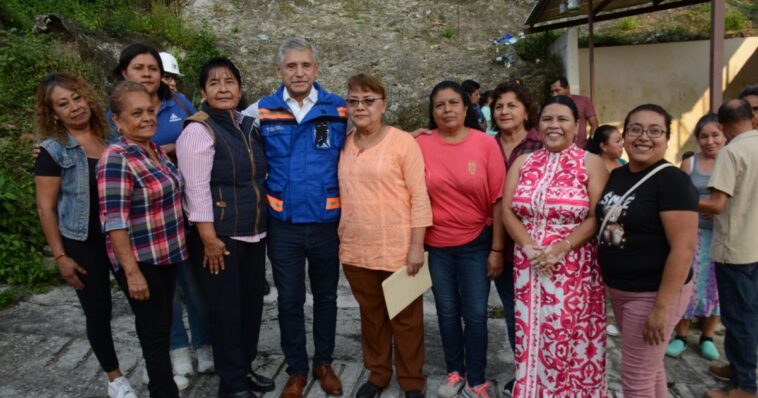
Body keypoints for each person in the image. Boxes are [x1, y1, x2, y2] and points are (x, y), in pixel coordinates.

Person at [34, 73, 137, 398]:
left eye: (77, 98)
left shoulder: (112, 139)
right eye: (63, 104)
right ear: (53, 114)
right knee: (98, 311)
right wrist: (60, 256)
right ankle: (116, 379)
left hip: (120, 238)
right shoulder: (53, 151)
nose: (74, 107)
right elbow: (46, 208)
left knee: (143, 302)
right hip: (82, 242)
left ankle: (155, 360)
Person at [113, 43, 211, 381]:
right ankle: (177, 353)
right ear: (124, 73)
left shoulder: (178, 103)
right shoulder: (118, 117)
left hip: (179, 218)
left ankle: (204, 345)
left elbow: (203, 132)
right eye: (139, 68)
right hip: (143, 232)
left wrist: (175, 149)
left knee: (194, 289)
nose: (146, 74)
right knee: (164, 303)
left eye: (152, 68)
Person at [176, 57, 273, 398]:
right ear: (202, 91)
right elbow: (195, 188)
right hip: (219, 237)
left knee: (250, 307)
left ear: (240, 88)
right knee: (226, 311)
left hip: (254, 232)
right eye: (214, 83)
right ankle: (230, 384)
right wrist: (208, 238)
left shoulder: (247, 124)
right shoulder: (197, 131)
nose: (223, 88)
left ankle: (243, 369)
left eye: (229, 81)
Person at [256, 38, 346, 398]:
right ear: (279, 71)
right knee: (289, 300)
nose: (298, 72)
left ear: (316, 69)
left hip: (326, 223)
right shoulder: (261, 111)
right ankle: (296, 369)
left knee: (326, 297)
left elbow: (368, 137)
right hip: (284, 227)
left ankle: (323, 362)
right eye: (291, 66)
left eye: (305, 65)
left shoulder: (338, 109)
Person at [502, 95, 608, 397]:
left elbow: (595, 216)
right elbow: (507, 210)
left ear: (576, 126)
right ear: (538, 124)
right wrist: (529, 247)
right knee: (530, 335)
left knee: (565, 338)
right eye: (548, 119)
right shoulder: (524, 161)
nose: (554, 125)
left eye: (563, 119)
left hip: (573, 266)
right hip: (529, 264)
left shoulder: (591, 163)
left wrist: (560, 247)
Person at [338, 73, 432, 398]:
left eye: (368, 100)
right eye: (353, 100)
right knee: (372, 318)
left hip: (398, 248)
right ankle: (378, 374)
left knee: (406, 320)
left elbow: (419, 196)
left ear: (384, 105)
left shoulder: (403, 142)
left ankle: (411, 381)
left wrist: (417, 245)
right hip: (356, 248)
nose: (360, 106)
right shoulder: (345, 141)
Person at [597, 104, 697, 398]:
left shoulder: (672, 180)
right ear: (624, 135)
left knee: (636, 380)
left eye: (655, 131)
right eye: (636, 129)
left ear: (667, 138)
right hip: (622, 289)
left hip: (653, 293)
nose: (644, 137)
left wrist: (662, 308)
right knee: (651, 373)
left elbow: (684, 247)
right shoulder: (617, 175)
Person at [97, 81, 188, 398]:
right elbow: (114, 222)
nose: (147, 118)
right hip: (141, 261)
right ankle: (164, 392)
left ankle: (162, 386)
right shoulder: (116, 158)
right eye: (137, 113)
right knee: (155, 335)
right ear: (118, 121)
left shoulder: (156, 151)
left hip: (167, 256)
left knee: (160, 329)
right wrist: (131, 272)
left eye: (150, 111)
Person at [416, 81, 505, 398]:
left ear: (466, 108)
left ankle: (477, 378)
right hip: (437, 244)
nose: (447, 109)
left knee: (477, 315)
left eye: (454, 103)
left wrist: (497, 248)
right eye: (439, 104)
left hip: (477, 244)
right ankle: (455, 371)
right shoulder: (422, 145)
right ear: (432, 111)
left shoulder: (485, 144)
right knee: (447, 312)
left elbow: (498, 199)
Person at [486, 79, 542, 396]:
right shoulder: (486, 144)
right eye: (499, 106)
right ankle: (521, 373)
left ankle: (535, 373)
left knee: (532, 313)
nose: (504, 111)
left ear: (526, 111)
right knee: (508, 311)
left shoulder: (540, 144)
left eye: (512, 105)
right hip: (491, 241)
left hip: (531, 244)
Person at [700, 100, 758, 398]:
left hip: (735, 248)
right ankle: (739, 368)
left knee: (739, 318)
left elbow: (716, 204)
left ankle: (745, 386)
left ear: (721, 127)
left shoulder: (732, 152)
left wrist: (677, 197)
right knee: (749, 314)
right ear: (752, 118)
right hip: (754, 243)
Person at [665, 114, 725, 361]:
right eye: (704, 136)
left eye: (715, 135)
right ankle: (681, 336)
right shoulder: (690, 164)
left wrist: (721, 209)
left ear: (725, 136)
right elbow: (678, 197)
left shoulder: (732, 161)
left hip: (722, 236)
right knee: (686, 284)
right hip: (693, 234)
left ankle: (708, 336)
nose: (710, 141)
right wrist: (706, 207)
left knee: (716, 287)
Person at [550, 76, 598, 148]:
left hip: (581, 148)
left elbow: (594, 123)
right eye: (552, 92)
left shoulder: (583, 101)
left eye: (557, 90)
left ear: (567, 88)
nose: (554, 94)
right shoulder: (552, 106)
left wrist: (591, 143)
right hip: (560, 149)